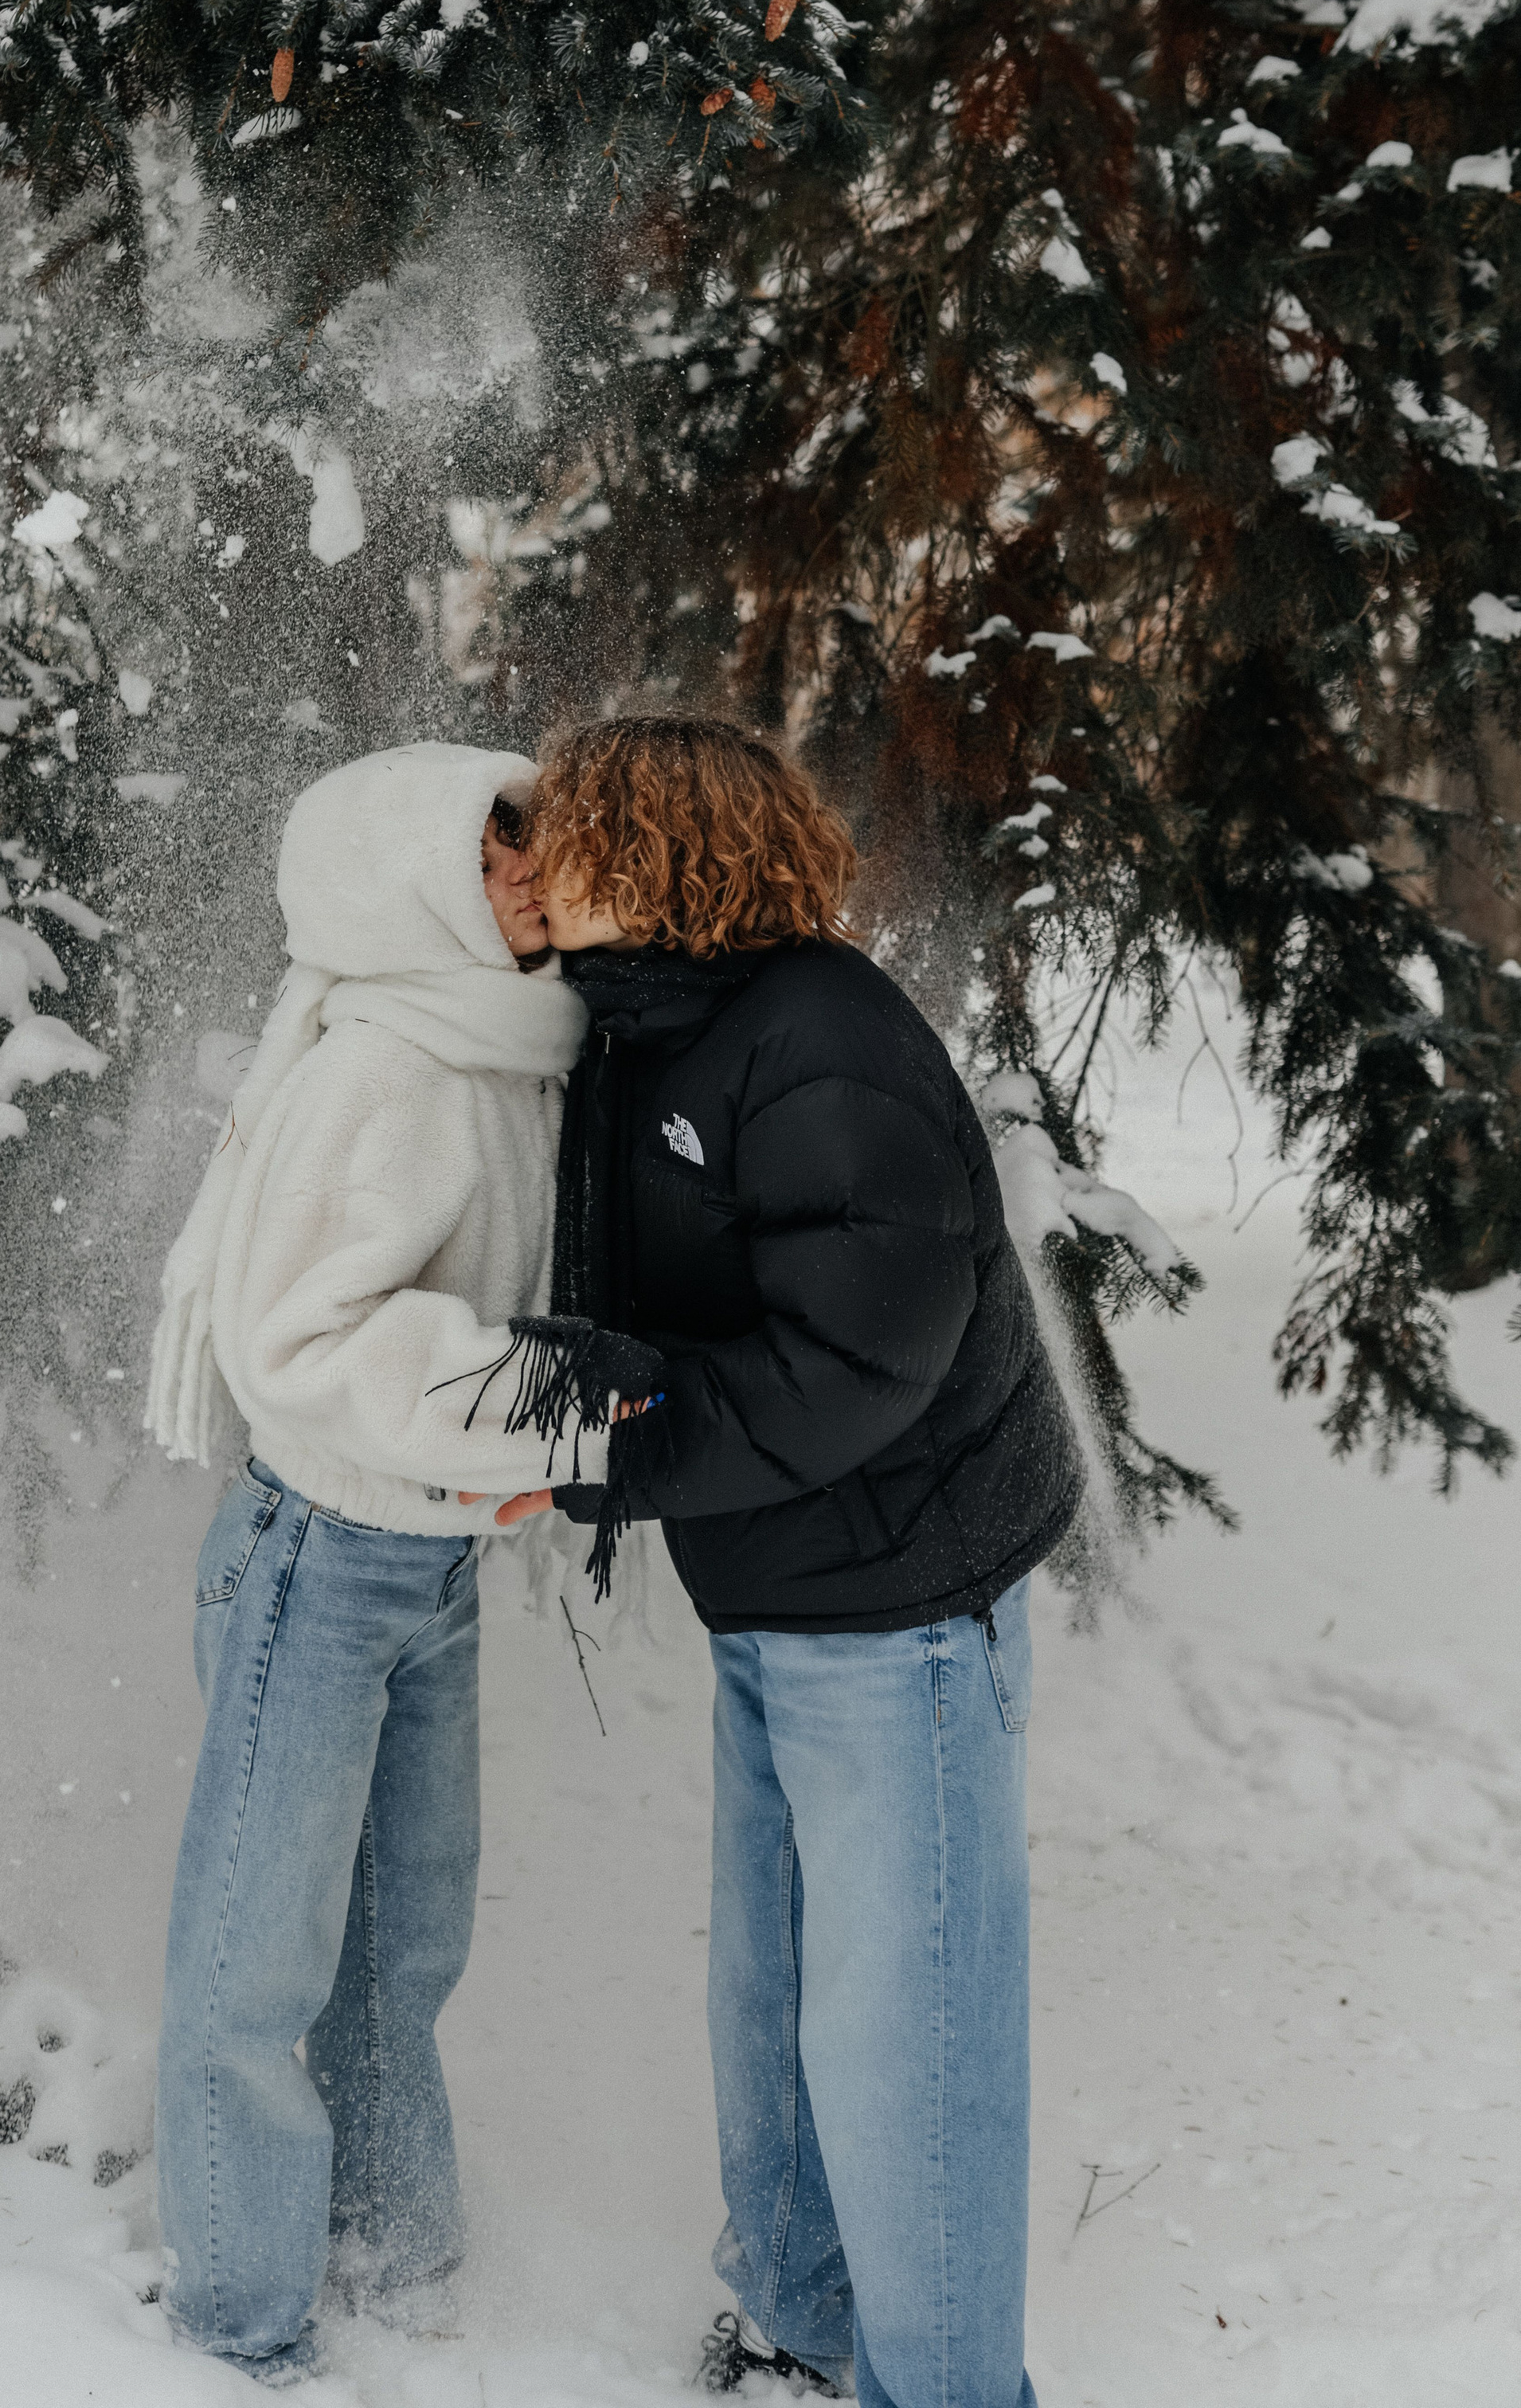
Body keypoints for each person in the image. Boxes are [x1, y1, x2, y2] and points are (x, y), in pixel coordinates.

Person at [512, 715, 1084, 2408]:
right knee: (771, 1997)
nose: (533, 862)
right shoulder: (643, 1027)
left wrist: (610, 1452)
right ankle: (798, 2327)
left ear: (654, 852)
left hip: (905, 1601)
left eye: (564, 830)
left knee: (908, 2037)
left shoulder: (823, 1038)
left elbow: (858, 1358)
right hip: (776, 1585)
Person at [143, 742, 642, 2386]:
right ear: (407, 880)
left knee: (400, 1945)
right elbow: (298, 1343)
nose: (528, 873)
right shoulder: (387, 1067)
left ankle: (395, 2254)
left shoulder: (514, 1041)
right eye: (491, 850)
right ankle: (240, 2319)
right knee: (256, 1960)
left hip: (429, 1557)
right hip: (320, 1555)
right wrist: (548, 1394)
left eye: (531, 840)